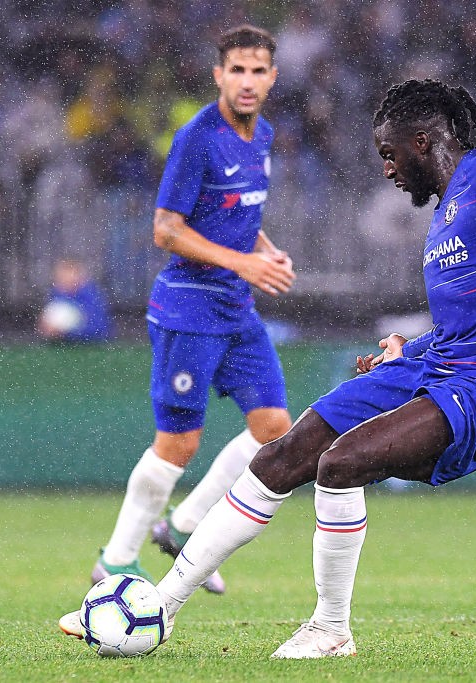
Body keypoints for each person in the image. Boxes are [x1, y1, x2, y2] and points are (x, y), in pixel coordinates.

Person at [61, 78, 476, 658]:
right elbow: (460, 327)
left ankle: (330, 628)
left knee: (340, 465)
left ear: (422, 141)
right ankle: (163, 605)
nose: (388, 170)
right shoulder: (447, 213)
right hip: (436, 366)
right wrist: (409, 350)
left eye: (390, 154)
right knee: (281, 455)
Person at [77, 24, 296, 597]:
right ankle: (116, 560)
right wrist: (245, 263)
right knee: (179, 444)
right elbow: (166, 229)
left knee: (274, 431)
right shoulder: (197, 138)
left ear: (272, 78)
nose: (247, 81)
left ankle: (184, 525)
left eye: (258, 71)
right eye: (237, 70)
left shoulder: (262, 135)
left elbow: (235, 210)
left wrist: (264, 250)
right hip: (189, 308)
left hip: (235, 308)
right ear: (219, 75)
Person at [37, 258, 114, 343]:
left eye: (69, 277)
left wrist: (65, 333)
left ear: (80, 277)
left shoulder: (91, 297)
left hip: (89, 346)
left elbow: (99, 329)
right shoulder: (56, 297)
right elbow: (44, 326)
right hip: (61, 346)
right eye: (62, 278)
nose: (65, 281)